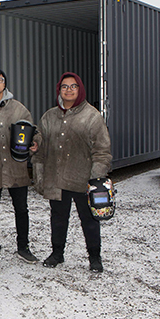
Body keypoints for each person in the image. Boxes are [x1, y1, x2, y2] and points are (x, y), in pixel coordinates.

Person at [32, 72, 112, 273]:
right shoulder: (49, 116)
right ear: (59, 90)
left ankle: (94, 257)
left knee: (90, 220)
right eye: (65, 86)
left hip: (82, 179)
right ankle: (57, 253)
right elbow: (41, 142)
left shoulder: (91, 116)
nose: (69, 90)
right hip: (56, 178)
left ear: (80, 89)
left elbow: (102, 150)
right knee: (58, 219)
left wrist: (97, 180)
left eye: (73, 86)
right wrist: (35, 145)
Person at [0, 67, 40, 265]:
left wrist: (34, 142)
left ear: (5, 83)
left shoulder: (18, 108)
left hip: (16, 167)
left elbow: (33, 131)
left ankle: (23, 247)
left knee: (21, 208)